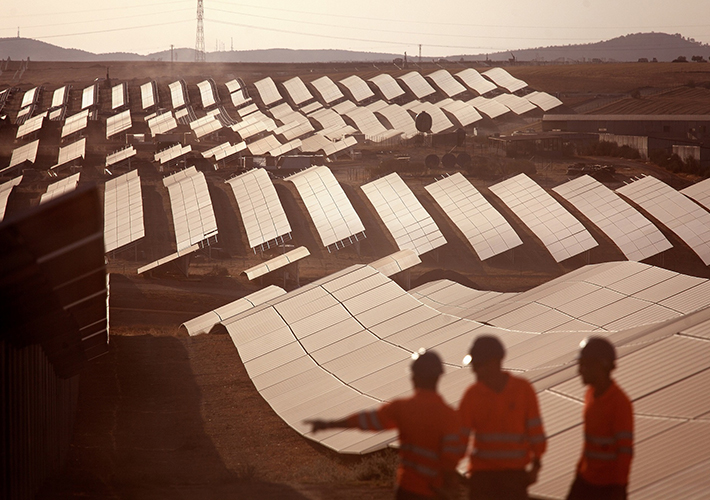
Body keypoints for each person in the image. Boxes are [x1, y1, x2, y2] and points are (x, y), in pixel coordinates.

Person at [306, 349, 465, 500]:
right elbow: (452, 457)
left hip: (408, 489)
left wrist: (329, 424)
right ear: (438, 377)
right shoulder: (450, 416)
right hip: (434, 491)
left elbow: (367, 420)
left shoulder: (403, 408)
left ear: (414, 377)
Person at [458, 335, 546, 500]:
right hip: (482, 478)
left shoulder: (522, 390)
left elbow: (536, 431)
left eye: (478, 365)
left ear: (494, 362)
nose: (474, 370)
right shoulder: (472, 395)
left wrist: (536, 465)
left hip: (514, 477)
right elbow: (460, 439)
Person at [566, 337, 633, 500]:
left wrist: (619, 488)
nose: (580, 371)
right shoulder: (590, 395)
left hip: (607, 489)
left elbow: (624, 452)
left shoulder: (619, 404)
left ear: (600, 365)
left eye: (584, 364)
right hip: (586, 481)